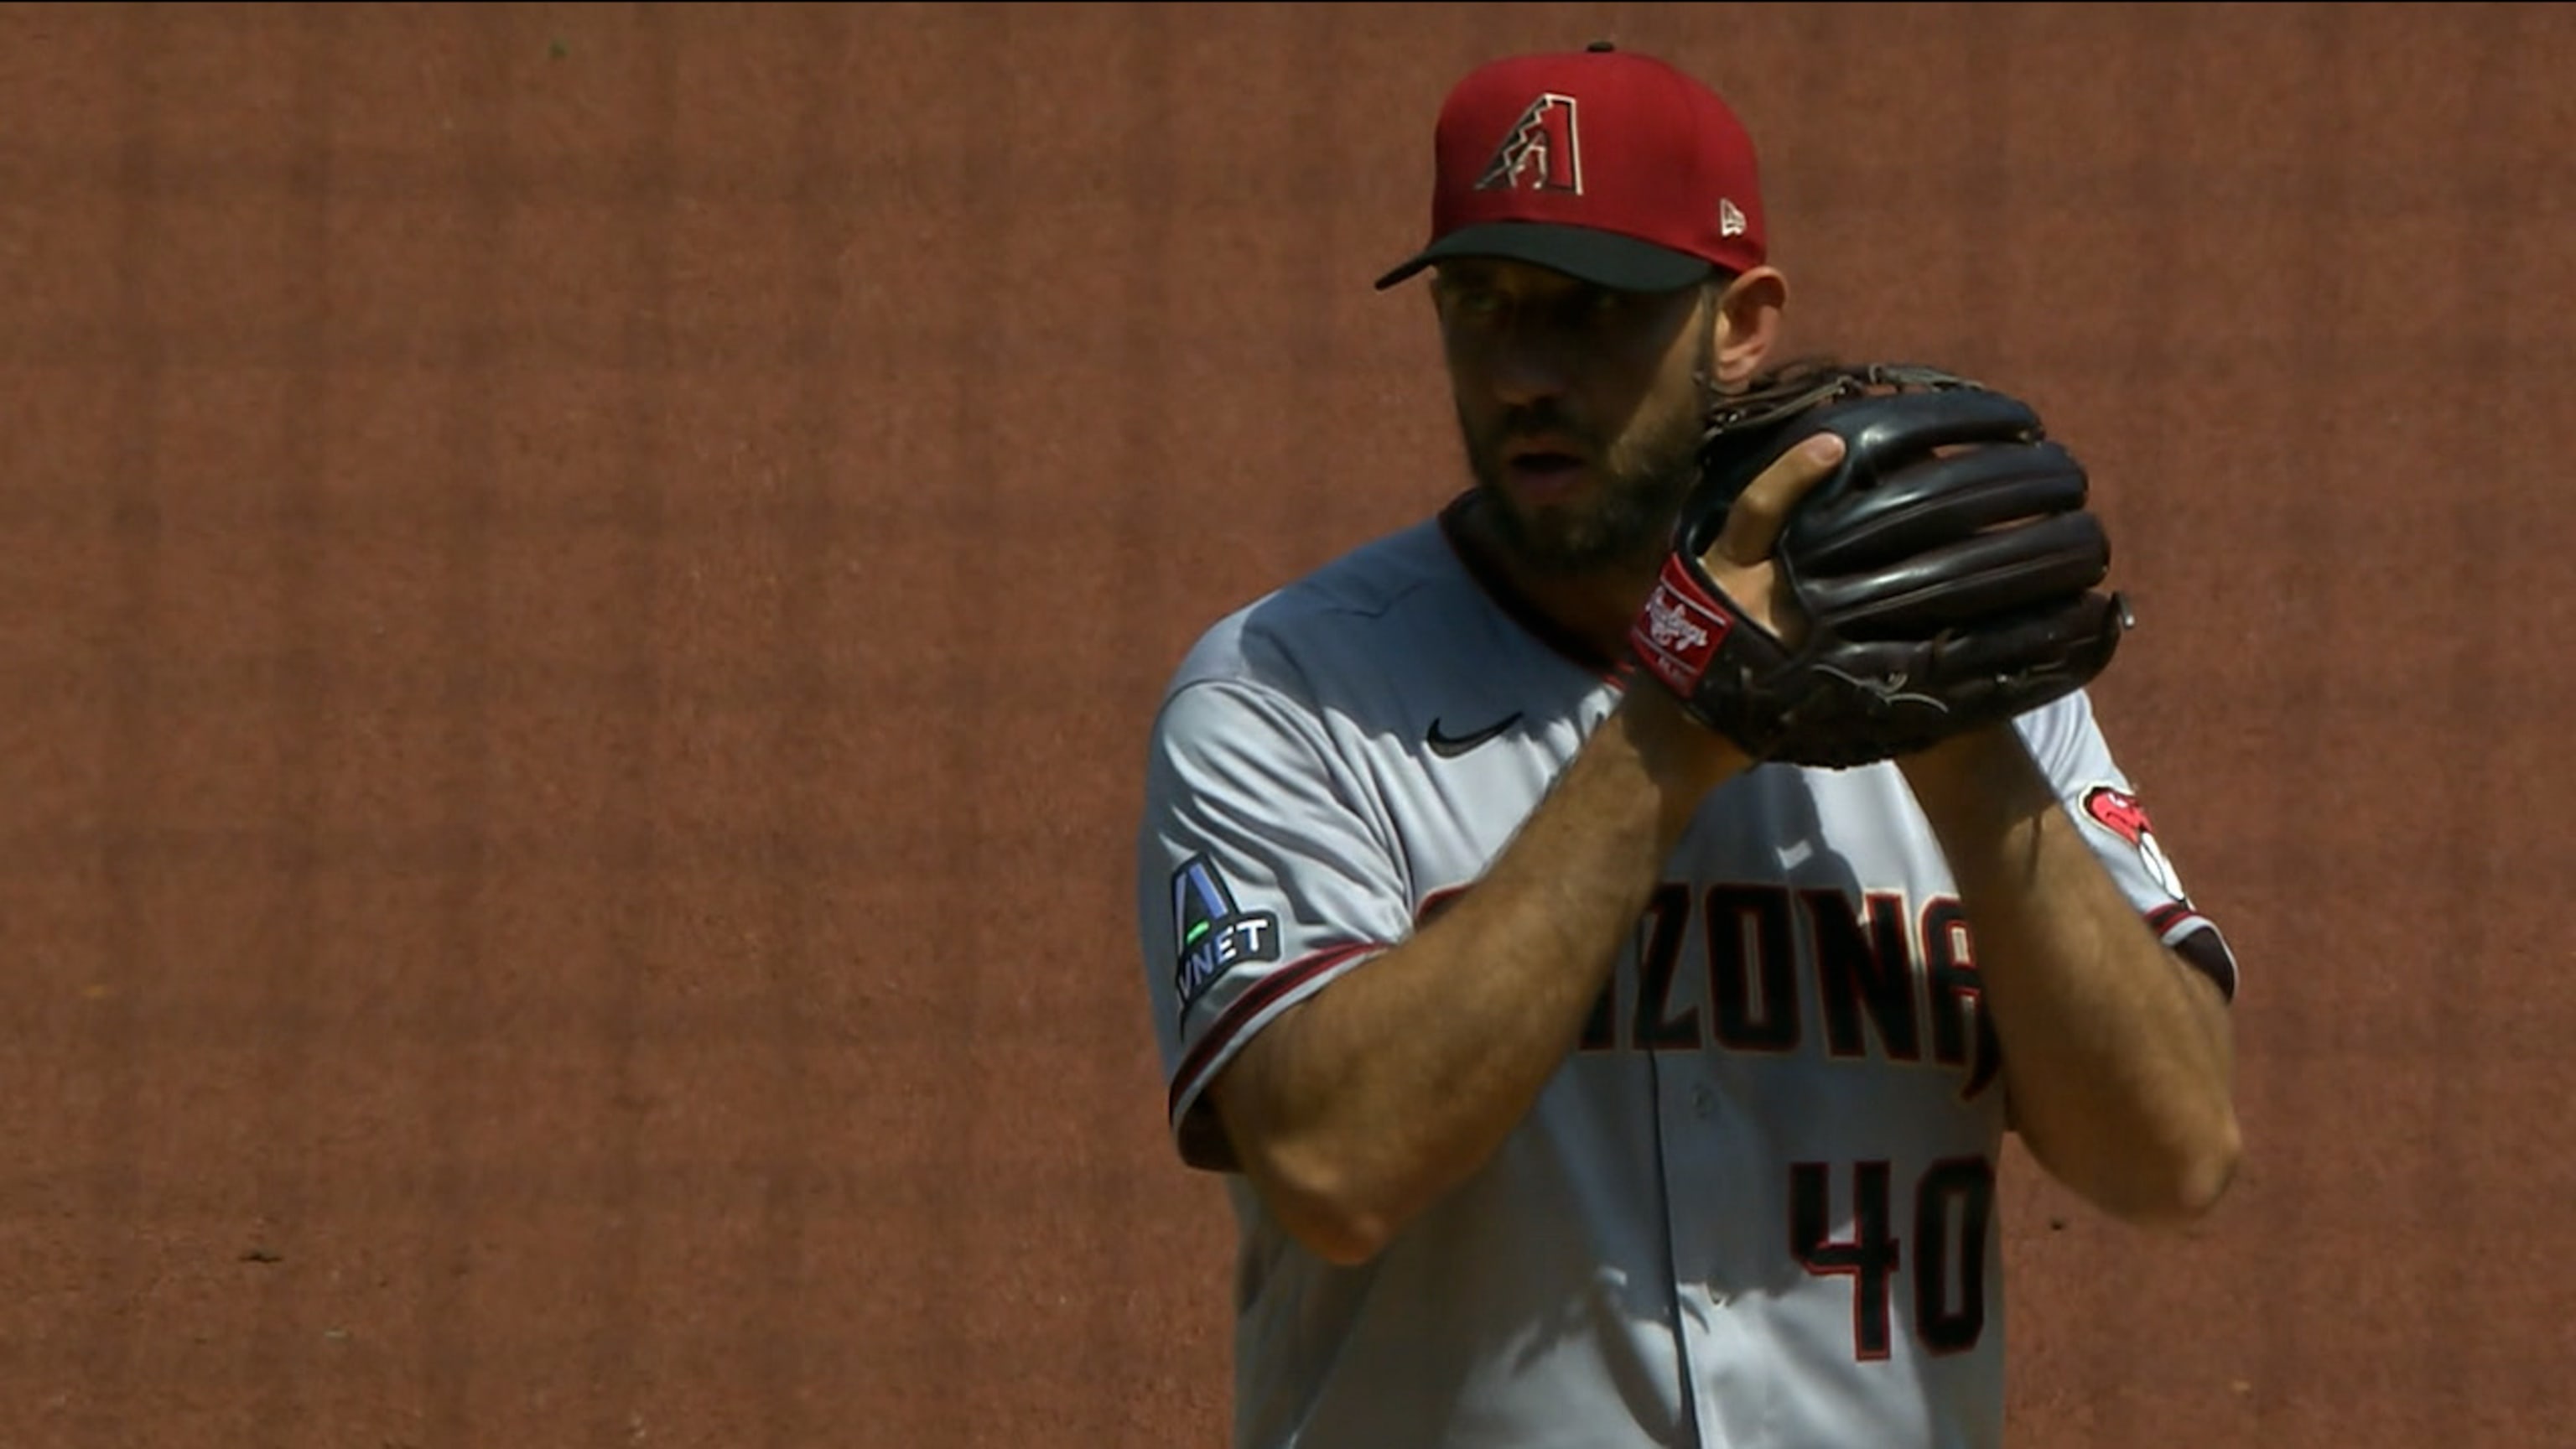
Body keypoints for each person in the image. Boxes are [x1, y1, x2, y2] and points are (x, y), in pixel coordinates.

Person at [1130, 39, 2242, 1449]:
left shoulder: (1957, 662)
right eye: (1483, 304)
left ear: (1740, 321)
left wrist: (1959, 739)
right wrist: (1672, 714)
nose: (1527, 370)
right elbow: (1330, 1164)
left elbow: (2174, 1156)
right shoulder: (1289, 692)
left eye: (1593, 311)